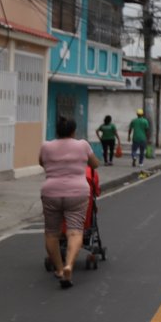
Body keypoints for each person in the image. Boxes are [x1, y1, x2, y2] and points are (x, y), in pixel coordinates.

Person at [39, 116, 99, 289]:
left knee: (52, 233)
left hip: (51, 191)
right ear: (73, 131)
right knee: (74, 232)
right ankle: (69, 265)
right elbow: (95, 164)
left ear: (57, 131)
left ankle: (59, 269)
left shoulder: (46, 146)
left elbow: (42, 163)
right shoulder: (82, 145)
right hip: (77, 192)